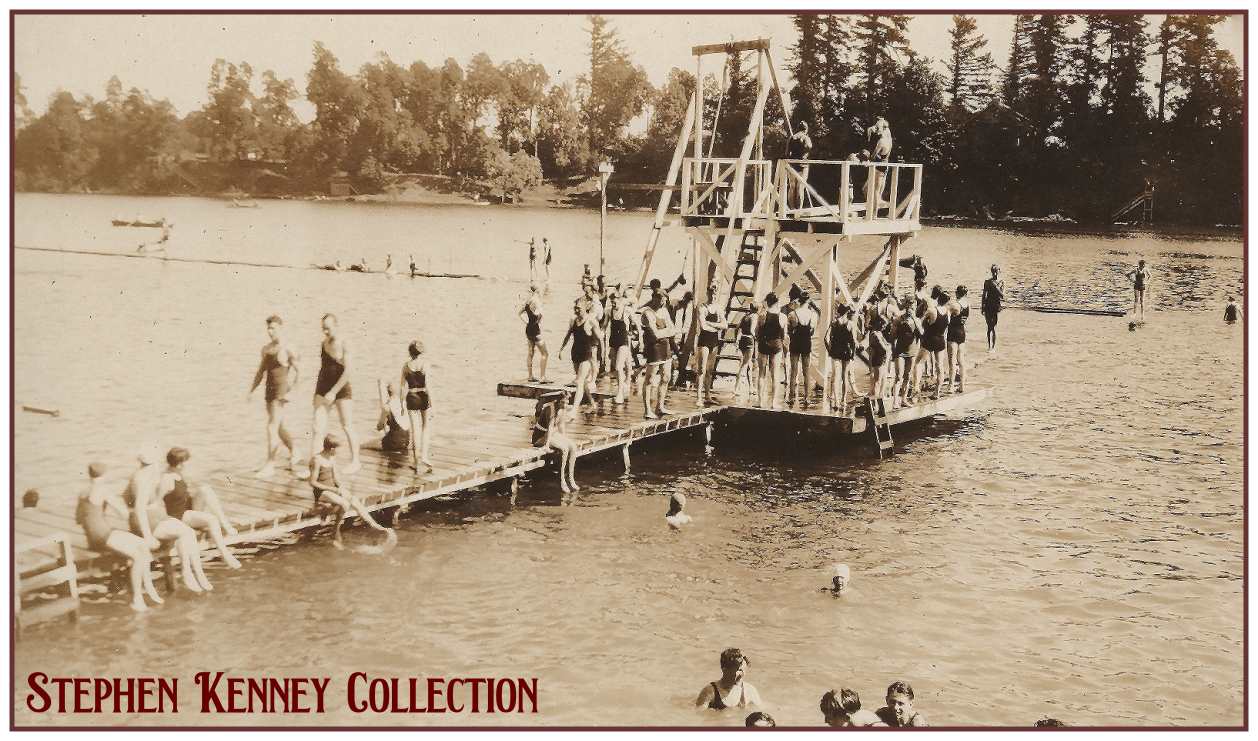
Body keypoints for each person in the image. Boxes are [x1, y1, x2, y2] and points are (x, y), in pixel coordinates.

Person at [124, 445, 212, 593]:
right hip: (147, 522)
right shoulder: (144, 480)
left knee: (187, 532)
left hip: (151, 518)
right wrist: (147, 536)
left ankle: (196, 574)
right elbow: (139, 507)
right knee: (187, 533)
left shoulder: (137, 475)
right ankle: (188, 573)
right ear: (152, 463)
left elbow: (126, 499)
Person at [77, 462, 163, 611]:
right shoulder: (102, 490)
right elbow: (123, 513)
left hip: (94, 536)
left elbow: (78, 518)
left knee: (143, 544)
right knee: (138, 556)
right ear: (105, 475)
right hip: (102, 535)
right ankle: (137, 599)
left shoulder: (83, 492)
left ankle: (148, 589)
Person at [159, 447, 242, 569]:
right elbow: (158, 501)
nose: (188, 464)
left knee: (205, 489)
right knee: (211, 519)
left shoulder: (177, 473)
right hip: (178, 516)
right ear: (180, 464)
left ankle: (226, 524)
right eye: (186, 462)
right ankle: (225, 555)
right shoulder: (166, 479)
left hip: (185, 508)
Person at [308, 434, 395, 546]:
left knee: (354, 500)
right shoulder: (317, 460)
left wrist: (341, 488)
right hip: (322, 492)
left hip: (333, 490)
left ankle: (374, 526)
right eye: (337, 450)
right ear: (332, 449)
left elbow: (336, 478)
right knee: (344, 503)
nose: (338, 452)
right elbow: (313, 482)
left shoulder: (332, 458)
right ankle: (335, 531)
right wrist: (332, 489)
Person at [248, 315, 301, 478]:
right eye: (269, 328)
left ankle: (270, 464)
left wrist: (291, 391)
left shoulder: (288, 348)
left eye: (274, 328)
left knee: (271, 426)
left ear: (281, 328)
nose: (271, 332)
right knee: (278, 426)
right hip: (269, 392)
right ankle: (295, 451)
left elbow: (299, 371)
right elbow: (260, 372)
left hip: (281, 392)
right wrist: (251, 390)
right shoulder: (266, 349)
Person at [309, 313, 362, 475]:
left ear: (336, 326)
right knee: (317, 427)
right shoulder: (323, 343)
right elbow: (323, 369)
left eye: (328, 328)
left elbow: (348, 371)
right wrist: (317, 393)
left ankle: (355, 461)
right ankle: (314, 466)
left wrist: (333, 392)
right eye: (323, 329)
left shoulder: (345, 343)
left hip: (342, 390)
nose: (325, 332)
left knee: (347, 425)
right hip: (324, 389)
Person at [561, 301, 602, 419]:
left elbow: (600, 339)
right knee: (582, 381)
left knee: (579, 381)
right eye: (575, 308)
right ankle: (592, 403)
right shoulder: (574, 320)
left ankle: (574, 410)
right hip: (575, 353)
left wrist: (600, 357)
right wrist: (561, 349)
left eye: (578, 308)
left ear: (585, 308)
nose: (576, 310)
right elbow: (568, 335)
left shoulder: (591, 321)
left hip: (586, 354)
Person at [640, 289, 677, 419]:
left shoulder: (664, 310)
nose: (662, 303)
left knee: (666, 377)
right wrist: (667, 331)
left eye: (664, 301)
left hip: (665, 346)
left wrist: (665, 332)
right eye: (660, 300)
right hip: (653, 347)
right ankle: (647, 410)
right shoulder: (647, 312)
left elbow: (673, 329)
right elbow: (655, 334)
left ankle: (660, 406)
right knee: (650, 379)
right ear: (654, 299)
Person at [532, 394, 578, 493]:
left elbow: (561, 426)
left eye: (567, 403)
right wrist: (547, 445)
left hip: (552, 433)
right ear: (557, 401)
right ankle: (562, 480)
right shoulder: (551, 409)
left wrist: (564, 439)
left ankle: (571, 478)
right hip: (541, 437)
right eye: (563, 402)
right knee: (564, 449)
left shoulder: (562, 409)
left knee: (573, 446)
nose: (565, 405)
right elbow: (549, 428)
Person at [400, 340, 434, 474]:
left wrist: (402, 403)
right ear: (421, 352)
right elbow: (428, 385)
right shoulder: (425, 364)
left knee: (415, 430)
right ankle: (424, 456)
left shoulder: (405, 366)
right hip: (423, 395)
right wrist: (433, 404)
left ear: (410, 352)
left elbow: (402, 386)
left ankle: (415, 462)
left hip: (411, 397)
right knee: (426, 427)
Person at [695, 648, 762, 710]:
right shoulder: (710, 692)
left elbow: (760, 712)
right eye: (738, 670)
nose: (741, 674)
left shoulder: (749, 691)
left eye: (743, 670)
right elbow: (698, 716)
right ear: (724, 669)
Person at [694, 283, 726, 406]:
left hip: (714, 340)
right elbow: (703, 326)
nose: (713, 296)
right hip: (704, 340)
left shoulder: (718, 307)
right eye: (711, 294)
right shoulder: (702, 307)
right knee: (701, 369)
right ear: (707, 294)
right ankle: (698, 397)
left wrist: (711, 324)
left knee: (710, 370)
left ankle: (707, 395)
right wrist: (717, 326)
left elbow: (725, 325)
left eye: (715, 294)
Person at [824, 303, 857, 414]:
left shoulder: (834, 323)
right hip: (846, 351)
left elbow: (826, 338)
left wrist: (829, 350)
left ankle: (836, 402)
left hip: (836, 352)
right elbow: (853, 341)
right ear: (847, 312)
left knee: (836, 376)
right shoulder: (851, 324)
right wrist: (853, 354)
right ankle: (844, 400)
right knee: (844, 377)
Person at [786, 289, 817, 409]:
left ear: (799, 300)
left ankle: (791, 396)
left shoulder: (792, 314)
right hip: (806, 342)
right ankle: (807, 397)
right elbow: (812, 330)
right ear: (808, 300)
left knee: (793, 370)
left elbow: (789, 330)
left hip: (795, 342)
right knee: (806, 371)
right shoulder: (813, 314)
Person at [916, 292, 950, 400]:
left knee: (919, 363)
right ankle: (937, 392)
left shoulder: (932, 310)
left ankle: (916, 388)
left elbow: (919, 322)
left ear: (938, 299)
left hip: (929, 339)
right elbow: (946, 327)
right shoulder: (948, 312)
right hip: (940, 339)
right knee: (939, 366)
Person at [756, 293, 786, 409]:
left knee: (761, 374)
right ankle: (773, 402)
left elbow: (757, 331)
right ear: (777, 302)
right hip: (776, 344)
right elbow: (784, 335)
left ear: (767, 302)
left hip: (764, 343)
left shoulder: (762, 315)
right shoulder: (782, 316)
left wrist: (760, 341)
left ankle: (760, 402)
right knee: (775, 375)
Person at [891, 295, 921, 407]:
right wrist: (893, 352)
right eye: (909, 307)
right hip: (900, 352)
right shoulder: (898, 319)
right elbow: (892, 337)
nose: (910, 310)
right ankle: (895, 401)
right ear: (906, 306)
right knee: (899, 376)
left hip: (912, 352)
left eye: (912, 308)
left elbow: (922, 334)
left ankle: (903, 399)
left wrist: (914, 319)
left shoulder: (917, 320)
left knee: (907, 376)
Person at [608, 288, 635, 404]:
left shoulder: (626, 310)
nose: (613, 304)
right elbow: (605, 326)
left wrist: (640, 341)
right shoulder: (609, 312)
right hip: (613, 341)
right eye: (612, 302)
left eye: (615, 302)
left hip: (623, 341)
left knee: (619, 367)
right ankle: (624, 383)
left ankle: (619, 393)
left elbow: (637, 324)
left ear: (620, 301)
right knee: (616, 365)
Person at [519, 284, 550, 382]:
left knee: (530, 352)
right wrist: (539, 319)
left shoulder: (528, 301)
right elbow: (538, 314)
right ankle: (542, 377)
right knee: (545, 353)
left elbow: (519, 313)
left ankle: (530, 376)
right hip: (535, 329)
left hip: (528, 328)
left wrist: (527, 322)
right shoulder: (537, 301)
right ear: (537, 291)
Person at [945, 285, 970, 393]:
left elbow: (946, 319)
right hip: (962, 332)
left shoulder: (955, 305)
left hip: (953, 333)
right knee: (961, 361)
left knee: (952, 361)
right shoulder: (968, 304)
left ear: (957, 293)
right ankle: (962, 385)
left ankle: (950, 386)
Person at [732, 301, 759, 402]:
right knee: (744, 364)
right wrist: (757, 338)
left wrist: (736, 339)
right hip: (749, 340)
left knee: (749, 365)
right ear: (757, 309)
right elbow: (752, 330)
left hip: (742, 340)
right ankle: (736, 388)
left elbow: (737, 327)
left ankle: (751, 387)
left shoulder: (745, 316)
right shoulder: (754, 316)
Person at [376, 382, 411, 453]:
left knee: (364, 447)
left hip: (394, 442)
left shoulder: (387, 406)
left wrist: (382, 422)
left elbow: (379, 427)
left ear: (387, 392)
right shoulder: (405, 403)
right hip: (406, 441)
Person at [981, 264, 1005, 351]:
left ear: (999, 271)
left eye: (996, 271)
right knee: (989, 326)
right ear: (991, 272)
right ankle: (989, 346)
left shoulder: (1001, 282)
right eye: (993, 271)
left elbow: (1002, 296)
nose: (995, 273)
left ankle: (993, 347)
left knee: (993, 327)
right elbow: (984, 295)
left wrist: (996, 287)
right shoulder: (987, 282)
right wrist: (982, 307)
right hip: (988, 305)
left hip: (996, 306)